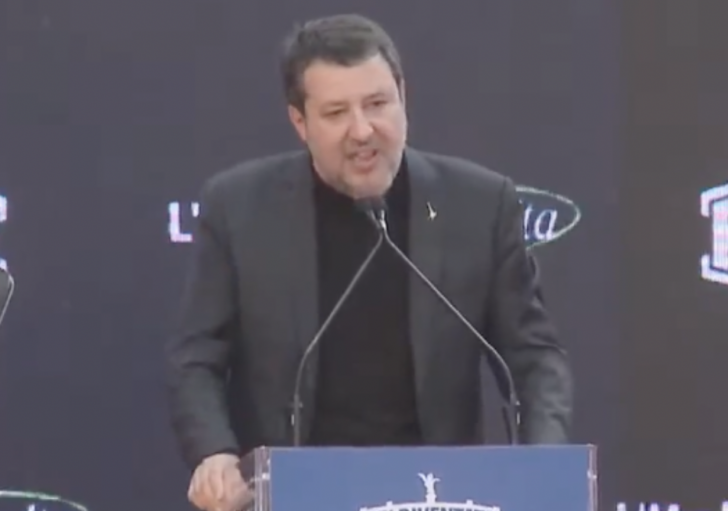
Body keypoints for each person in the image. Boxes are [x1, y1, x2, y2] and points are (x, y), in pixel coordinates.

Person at [165, 13, 573, 511]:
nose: (363, 130)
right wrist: (215, 454)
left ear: (403, 97)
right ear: (300, 122)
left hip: (433, 498)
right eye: (337, 113)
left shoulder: (480, 206)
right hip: (292, 495)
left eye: (378, 104)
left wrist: (542, 466)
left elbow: (534, 357)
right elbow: (197, 359)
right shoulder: (239, 209)